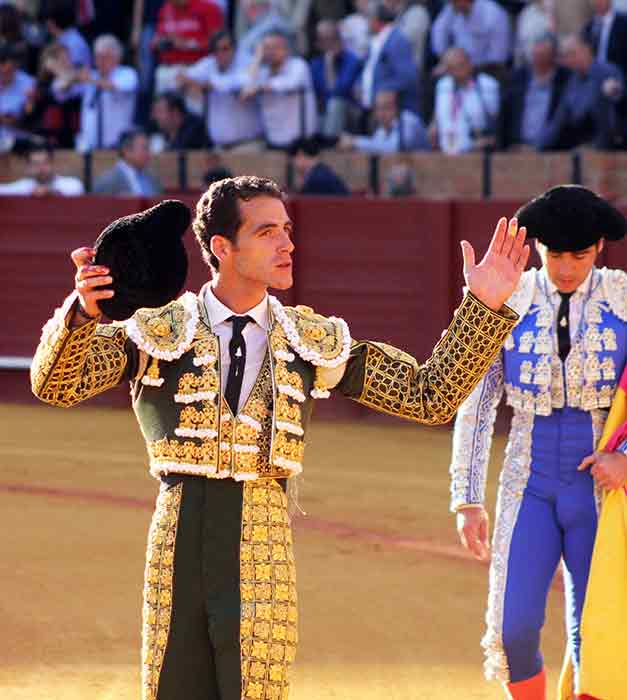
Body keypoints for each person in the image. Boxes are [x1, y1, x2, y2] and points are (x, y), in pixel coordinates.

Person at [31, 174, 528, 700]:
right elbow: (57, 384)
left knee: (258, 690)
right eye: (267, 232)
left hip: (262, 536)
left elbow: (429, 395)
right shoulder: (157, 330)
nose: (288, 244)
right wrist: (82, 313)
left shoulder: (309, 340)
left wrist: (483, 308)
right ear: (222, 248)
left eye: (287, 230)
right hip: (176, 533)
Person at [449, 185, 627, 700]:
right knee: (513, 630)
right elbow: (478, 403)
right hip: (528, 480)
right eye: (555, 255)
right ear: (539, 251)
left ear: (600, 248)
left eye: (580, 254)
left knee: (596, 633)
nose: (566, 267)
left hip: (602, 486)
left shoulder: (624, 298)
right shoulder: (510, 296)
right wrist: (467, 495)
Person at [177, 31, 263, 149]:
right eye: (216, 50)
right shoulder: (209, 63)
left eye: (225, 49)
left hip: (248, 145)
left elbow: (244, 82)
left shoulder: (247, 62)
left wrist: (207, 85)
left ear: (234, 48)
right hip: (219, 147)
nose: (221, 53)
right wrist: (195, 85)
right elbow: (181, 78)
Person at [53, 34, 138, 151]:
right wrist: (71, 78)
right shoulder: (91, 76)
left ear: (117, 58)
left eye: (105, 57)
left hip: (118, 146)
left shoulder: (127, 74)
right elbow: (59, 93)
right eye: (97, 57)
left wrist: (88, 79)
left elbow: (113, 86)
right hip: (89, 146)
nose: (100, 61)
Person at [538, 34, 624, 150]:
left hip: (611, 147)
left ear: (587, 50)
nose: (569, 59)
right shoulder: (572, 82)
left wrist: (615, 91)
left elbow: (618, 103)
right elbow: (558, 121)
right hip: (581, 146)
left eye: (572, 53)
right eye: (565, 56)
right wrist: (536, 147)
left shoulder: (607, 72)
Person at [242, 30, 317, 149]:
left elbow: (291, 83)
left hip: (300, 143)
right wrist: (257, 58)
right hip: (273, 141)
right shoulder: (262, 73)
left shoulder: (298, 65)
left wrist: (260, 88)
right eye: (266, 48)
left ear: (286, 49)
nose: (271, 52)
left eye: (276, 47)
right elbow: (245, 91)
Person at [498, 33, 571, 151]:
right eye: (536, 54)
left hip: (553, 150)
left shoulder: (566, 79)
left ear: (553, 57)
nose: (538, 59)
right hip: (518, 148)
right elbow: (504, 115)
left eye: (543, 55)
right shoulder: (517, 78)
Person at [429, 46, 499, 154]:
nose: (454, 72)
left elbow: (497, 120)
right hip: (445, 150)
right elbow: (438, 113)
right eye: (450, 68)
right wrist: (433, 126)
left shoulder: (487, 85)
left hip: (476, 151)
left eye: (458, 66)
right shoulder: (443, 85)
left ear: (469, 64)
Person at [151, 0, 224, 98]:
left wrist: (188, 44)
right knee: (163, 109)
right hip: (168, 69)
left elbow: (220, 44)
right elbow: (155, 41)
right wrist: (159, 42)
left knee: (194, 111)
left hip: (196, 70)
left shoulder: (209, 8)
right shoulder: (166, 9)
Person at [360, 3, 420, 116]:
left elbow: (408, 77)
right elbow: (369, 70)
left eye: (367, 19)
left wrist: (380, 89)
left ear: (376, 20)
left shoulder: (397, 41)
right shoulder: (376, 40)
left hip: (394, 111)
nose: (366, 23)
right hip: (374, 108)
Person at [309, 19, 362, 139]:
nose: (332, 43)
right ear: (318, 44)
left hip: (350, 111)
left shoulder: (351, 60)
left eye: (334, 38)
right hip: (324, 112)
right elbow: (315, 94)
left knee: (335, 104)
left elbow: (338, 91)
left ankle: (329, 144)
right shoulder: (315, 64)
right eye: (325, 40)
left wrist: (329, 65)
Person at [431, 0, 511, 74]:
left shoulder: (494, 14)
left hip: (488, 70)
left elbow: (498, 57)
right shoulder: (451, 9)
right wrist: (446, 59)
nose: (451, 3)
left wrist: (466, 67)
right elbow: (438, 34)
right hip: (457, 66)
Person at [340, 89, 429, 153]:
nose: (381, 113)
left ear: (397, 108)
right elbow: (375, 147)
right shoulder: (381, 130)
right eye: (378, 108)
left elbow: (396, 148)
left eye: (386, 107)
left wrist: (355, 142)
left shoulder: (409, 121)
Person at [93, 128, 163, 195]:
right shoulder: (108, 181)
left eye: (148, 148)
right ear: (127, 151)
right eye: (145, 148)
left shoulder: (153, 179)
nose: (149, 153)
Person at [0, 144, 84, 195]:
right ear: (28, 167)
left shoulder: (72, 184)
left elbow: (76, 189)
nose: (41, 168)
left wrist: (51, 193)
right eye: (36, 164)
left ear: (52, 164)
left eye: (45, 162)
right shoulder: (23, 187)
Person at [0, 40, 35, 150]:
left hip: (20, 143)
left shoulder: (28, 83)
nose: (4, 74)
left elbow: (28, 120)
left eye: (9, 70)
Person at [44, 0, 92, 69]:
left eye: (48, 21)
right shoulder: (60, 40)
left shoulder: (75, 44)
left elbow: (75, 72)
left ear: (52, 23)